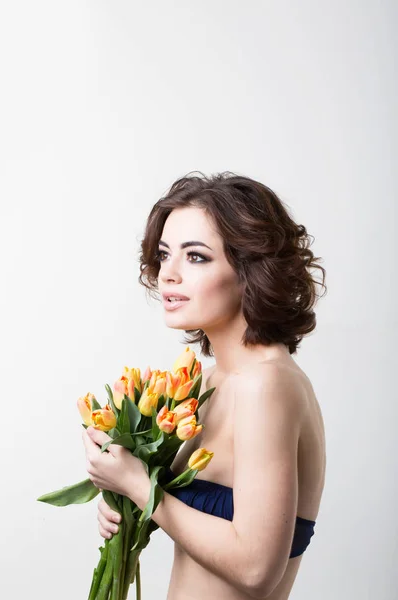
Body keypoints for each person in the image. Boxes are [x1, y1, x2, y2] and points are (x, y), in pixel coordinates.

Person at [82, 171, 327, 600]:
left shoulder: (266, 386)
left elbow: (255, 570)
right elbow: (190, 518)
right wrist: (125, 501)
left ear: (250, 268)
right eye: (164, 254)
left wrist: (139, 486)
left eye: (196, 257)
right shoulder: (210, 381)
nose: (168, 274)